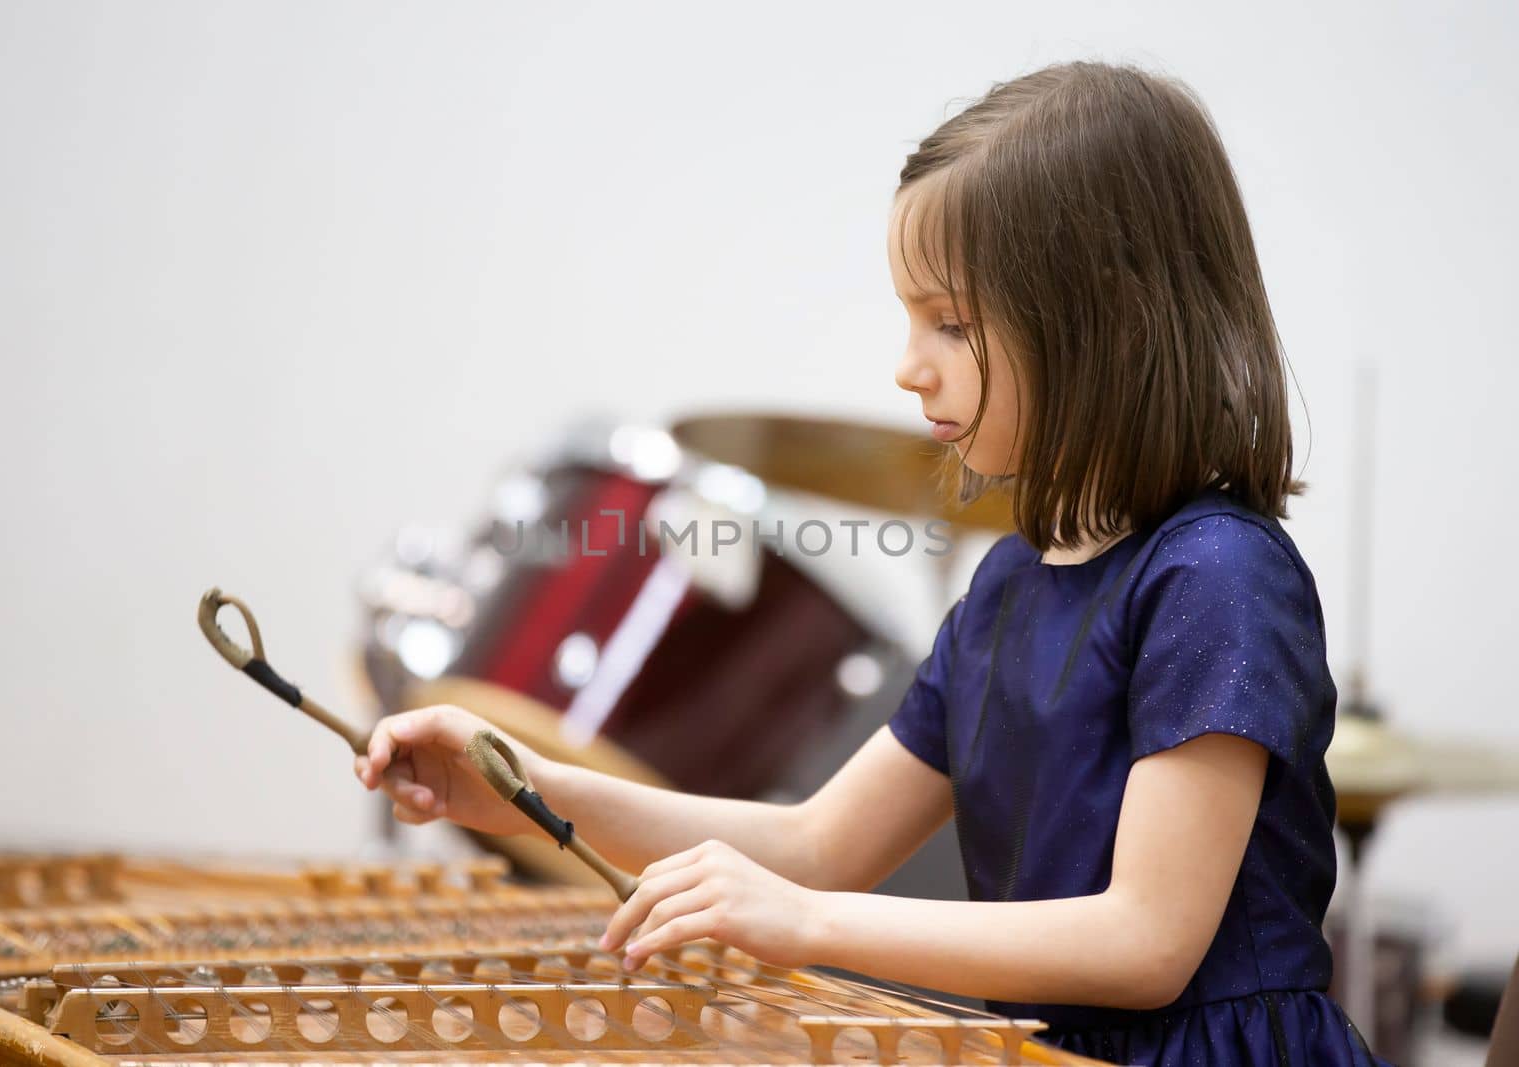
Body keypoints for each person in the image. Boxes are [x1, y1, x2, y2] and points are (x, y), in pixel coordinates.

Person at [356, 60, 1382, 1066]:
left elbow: (1146, 942)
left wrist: (807, 924)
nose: (906, 365)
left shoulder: (1213, 576)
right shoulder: (1008, 588)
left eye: (950, 322)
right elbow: (814, 845)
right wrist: (521, 783)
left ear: (1103, 315)